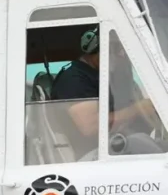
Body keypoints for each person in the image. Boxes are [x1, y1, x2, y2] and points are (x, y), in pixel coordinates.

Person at [51, 25, 157, 156]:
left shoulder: (103, 75)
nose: (121, 54)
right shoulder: (73, 78)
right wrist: (137, 109)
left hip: (113, 146)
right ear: (93, 48)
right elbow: (90, 126)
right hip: (93, 157)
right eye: (116, 48)